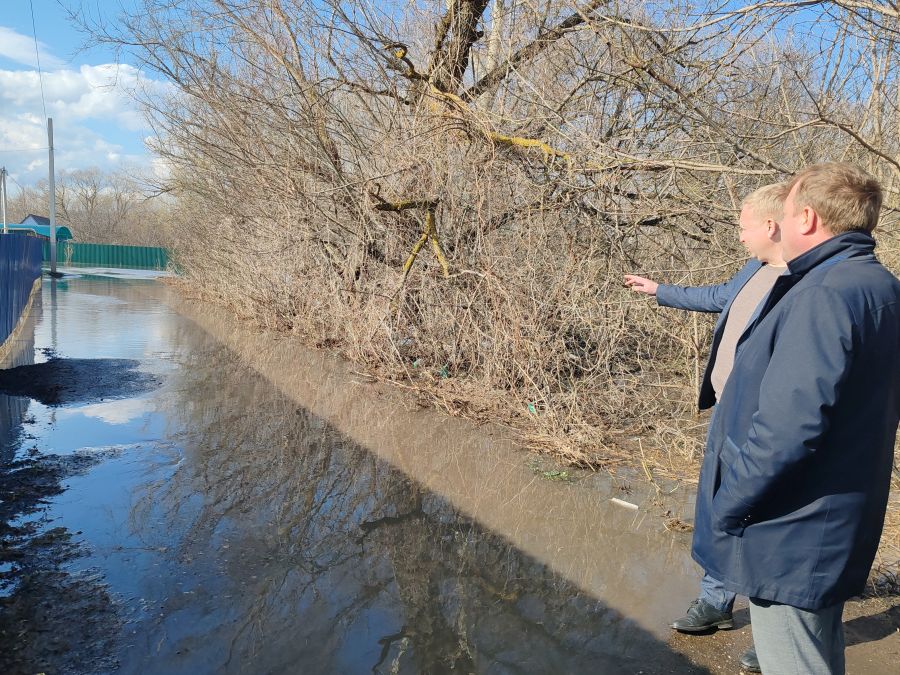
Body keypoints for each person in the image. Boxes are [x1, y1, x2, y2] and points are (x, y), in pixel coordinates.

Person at [692, 162, 900, 674]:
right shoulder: (877, 285)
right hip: (833, 518)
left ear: (806, 217)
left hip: (791, 527)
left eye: (783, 214)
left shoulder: (822, 295)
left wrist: (730, 503)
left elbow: (789, 427)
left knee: (795, 662)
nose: (777, 226)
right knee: (817, 653)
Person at [625, 184, 787, 660]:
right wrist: (660, 290)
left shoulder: (803, 285)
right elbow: (720, 297)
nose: (739, 236)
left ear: (771, 226)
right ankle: (716, 603)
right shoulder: (755, 268)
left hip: (764, 426)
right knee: (721, 507)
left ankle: (774, 636)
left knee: (762, 520)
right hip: (726, 413)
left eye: (743, 226)